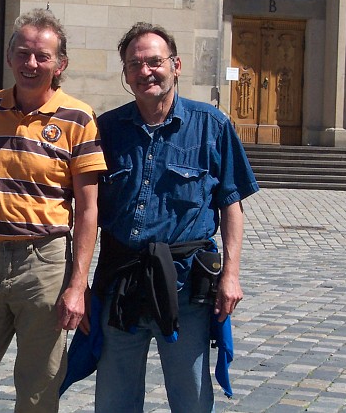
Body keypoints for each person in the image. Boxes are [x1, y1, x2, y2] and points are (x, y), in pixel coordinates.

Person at [0, 8, 107, 412]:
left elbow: (88, 211)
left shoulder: (79, 118)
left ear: (60, 64)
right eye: (23, 53)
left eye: (42, 56)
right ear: (9, 56)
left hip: (44, 267)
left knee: (37, 393)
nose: (31, 64)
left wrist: (77, 285)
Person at [92, 22, 259, 412]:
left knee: (191, 401)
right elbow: (86, 208)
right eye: (134, 64)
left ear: (176, 65)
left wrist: (231, 274)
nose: (145, 71)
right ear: (125, 73)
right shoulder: (108, 129)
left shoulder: (212, 125)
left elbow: (231, 203)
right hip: (121, 285)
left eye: (154, 61)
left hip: (186, 290)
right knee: (113, 403)